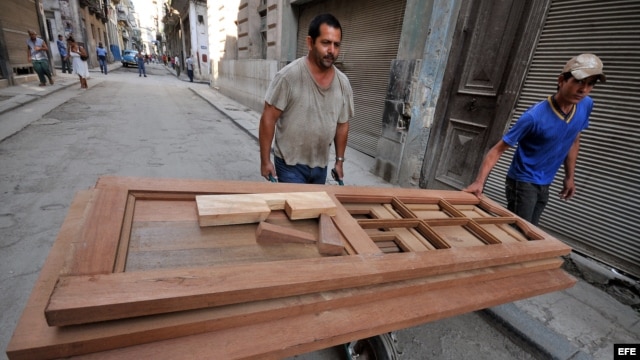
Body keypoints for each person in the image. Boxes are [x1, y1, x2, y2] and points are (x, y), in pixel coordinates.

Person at [463, 54, 606, 226]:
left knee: (531, 227)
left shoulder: (586, 105)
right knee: (520, 229)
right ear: (562, 80)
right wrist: (479, 182)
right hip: (523, 181)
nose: (584, 89)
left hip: (546, 180)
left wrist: (570, 177)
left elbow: (574, 140)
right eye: (579, 81)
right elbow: (497, 149)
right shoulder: (533, 117)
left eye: (590, 84)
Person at [259, 13, 353, 184]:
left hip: (320, 166)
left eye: (336, 44)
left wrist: (339, 161)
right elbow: (268, 118)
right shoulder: (289, 77)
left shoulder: (343, 83)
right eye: (326, 43)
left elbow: (342, 125)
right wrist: (265, 161)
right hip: (290, 165)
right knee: (297, 209)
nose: (331, 50)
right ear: (310, 43)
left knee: (313, 209)